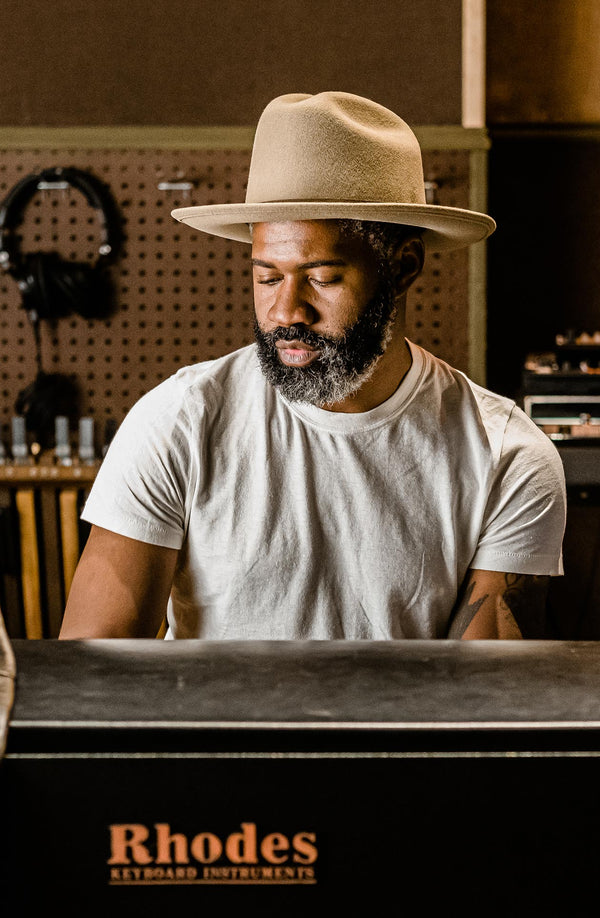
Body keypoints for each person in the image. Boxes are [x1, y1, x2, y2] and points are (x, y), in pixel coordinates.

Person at [59, 91, 566, 641]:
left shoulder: (508, 458)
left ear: (404, 266)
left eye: (322, 278)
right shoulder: (177, 422)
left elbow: (485, 704)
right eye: (267, 277)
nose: (285, 312)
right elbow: (95, 679)